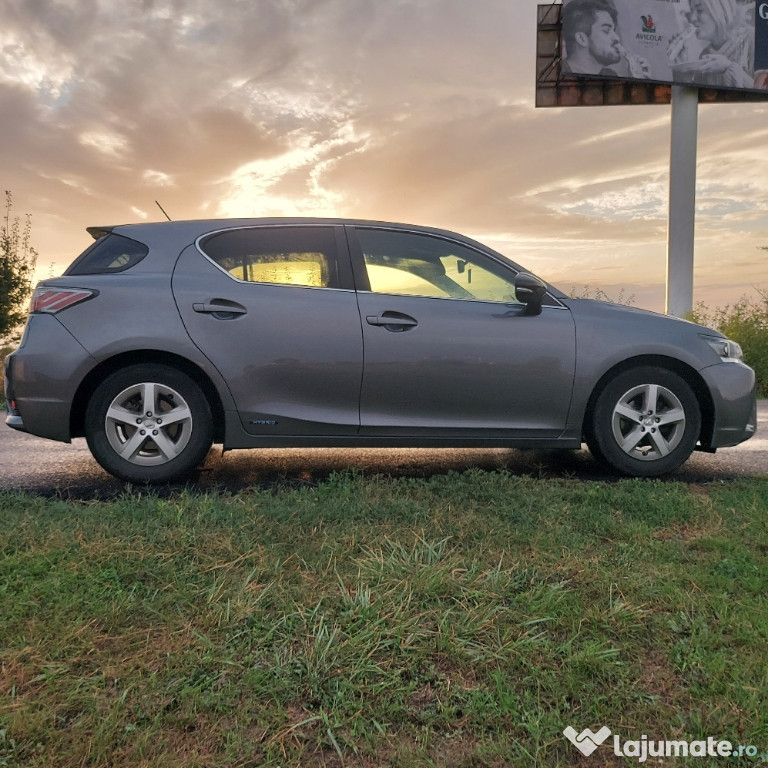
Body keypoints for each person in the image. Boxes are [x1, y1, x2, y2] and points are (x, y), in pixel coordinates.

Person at [668, 0, 755, 88]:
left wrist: (728, 68)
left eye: (699, 10)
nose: (692, 18)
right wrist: (683, 70)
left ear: (721, 11)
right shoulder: (705, 55)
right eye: (692, 11)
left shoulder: (752, 40)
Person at [562, 0, 651, 78]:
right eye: (606, 30)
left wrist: (637, 81)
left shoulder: (610, 75)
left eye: (614, 30)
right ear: (582, 39)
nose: (617, 38)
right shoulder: (557, 74)